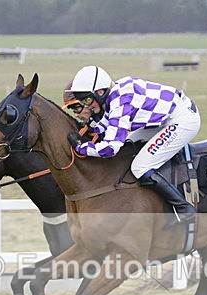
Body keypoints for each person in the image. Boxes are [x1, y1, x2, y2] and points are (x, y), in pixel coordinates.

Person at [66, 65, 199, 225]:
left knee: (139, 167)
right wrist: (92, 131)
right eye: (83, 101)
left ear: (100, 92)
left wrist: (82, 148)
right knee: (128, 145)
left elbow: (110, 148)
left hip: (182, 120)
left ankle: (184, 209)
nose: (87, 106)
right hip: (166, 117)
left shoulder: (122, 100)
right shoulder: (114, 92)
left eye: (88, 100)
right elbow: (108, 122)